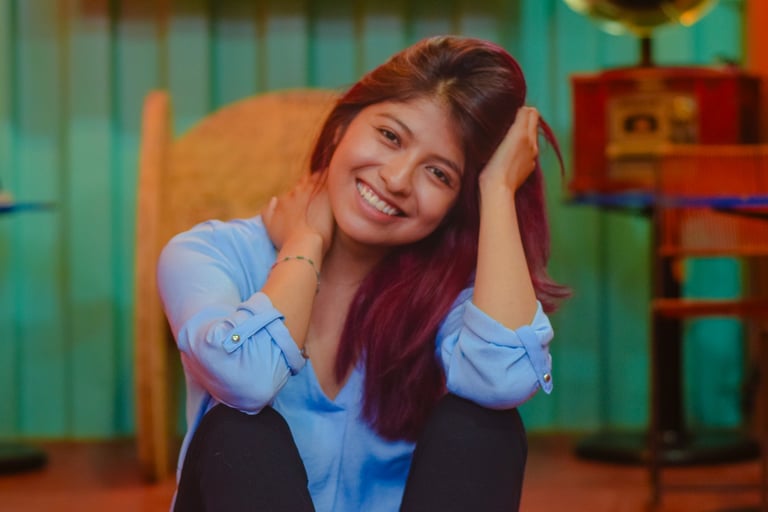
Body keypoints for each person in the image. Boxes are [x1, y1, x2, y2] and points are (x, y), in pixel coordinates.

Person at [157, 34, 569, 512]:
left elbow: (504, 381)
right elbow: (246, 379)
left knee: (484, 425)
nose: (396, 179)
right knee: (240, 427)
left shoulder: (445, 296)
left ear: (458, 204)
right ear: (341, 128)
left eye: (439, 174)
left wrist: (497, 189)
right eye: (390, 136)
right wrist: (305, 242)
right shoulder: (210, 254)